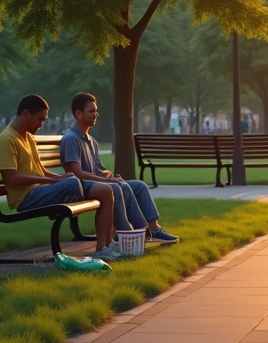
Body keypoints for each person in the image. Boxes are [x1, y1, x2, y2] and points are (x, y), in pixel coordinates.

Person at [0, 95, 121, 260]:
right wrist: (54, 181)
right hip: (25, 197)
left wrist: (59, 178)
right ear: (26, 113)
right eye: (40, 119)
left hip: (39, 191)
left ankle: (104, 247)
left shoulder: (27, 137)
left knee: (105, 190)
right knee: (73, 182)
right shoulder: (7, 139)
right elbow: (11, 179)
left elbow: (40, 170)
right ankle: (103, 245)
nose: (42, 124)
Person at [61, 93, 180, 245]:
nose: (96, 114)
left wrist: (111, 176)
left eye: (96, 111)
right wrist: (106, 180)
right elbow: (76, 173)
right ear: (78, 113)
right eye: (91, 111)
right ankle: (131, 233)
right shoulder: (71, 138)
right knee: (119, 187)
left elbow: (98, 169)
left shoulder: (91, 140)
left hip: (97, 183)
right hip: (81, 186)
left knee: (139, 186)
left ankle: (153, 229)